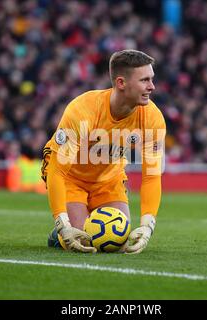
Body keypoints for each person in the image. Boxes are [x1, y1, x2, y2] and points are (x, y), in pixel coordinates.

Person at [41, 49, 166, 254]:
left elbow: (152, 176)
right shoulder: (83, 110)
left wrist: (147, 225)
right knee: (83, 240)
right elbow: (57, 171)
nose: (152, 87)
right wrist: (62, 224)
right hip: (71, 178)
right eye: (144, 80)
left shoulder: (152, 118)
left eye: (151, 79)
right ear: (121, 83)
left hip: (109, 178)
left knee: (117, 241)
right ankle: (57, 236)